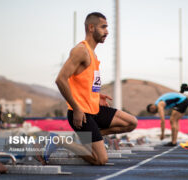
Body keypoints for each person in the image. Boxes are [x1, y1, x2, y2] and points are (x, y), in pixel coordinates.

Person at [50, 12, 137, 165]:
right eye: (103, 27)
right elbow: (61, 80)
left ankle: (89, 138)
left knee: (131, 123)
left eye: (107, 28)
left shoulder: (93, 54)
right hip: (81, 114)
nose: (107, 32)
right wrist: (76, 108)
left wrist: (97, 95)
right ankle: (60, 140)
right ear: (91, 28)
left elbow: (83, 81)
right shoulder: (81, 51)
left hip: (95, 108)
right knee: (100, 160)